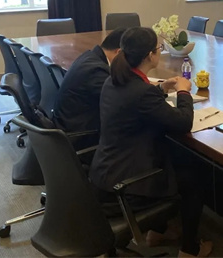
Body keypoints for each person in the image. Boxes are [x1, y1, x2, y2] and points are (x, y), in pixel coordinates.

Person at [89, 27, 211, 257]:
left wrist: (160, 88)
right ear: (150, 56)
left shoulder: (113, 81)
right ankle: (190, 250)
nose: (159, 52)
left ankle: (157, 233)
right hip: (126, 188)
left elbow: (136, 102)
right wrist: (183, 92)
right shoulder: (142, 92)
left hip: (105, 176)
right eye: (158, 48)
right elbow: (183, 122)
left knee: (175, 159)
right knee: (195, 177)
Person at [53, 27, 126, 140]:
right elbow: (121, 102)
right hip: (79, 134)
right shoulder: (96, 71)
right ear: (119, 52)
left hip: (66, 123)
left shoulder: (90, 57)